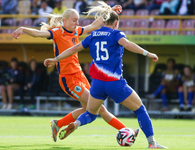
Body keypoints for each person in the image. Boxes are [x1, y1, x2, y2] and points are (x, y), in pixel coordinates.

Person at [44, 2, 168, 149]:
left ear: (103, 22)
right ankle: (152, 143)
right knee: (140, 109)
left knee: (91, 113)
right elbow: (127, 44)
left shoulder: (93, 35)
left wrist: (55, 59)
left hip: (97, 84)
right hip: (115, 83)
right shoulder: (116, 34)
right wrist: (148, 53)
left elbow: (75, 48)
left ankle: (76, 123)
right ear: (116, 23)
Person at [12, 3, 125, 143]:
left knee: (89, 111)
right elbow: (38, 33)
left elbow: (94, 25)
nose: (77, 23)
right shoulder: (56, 32)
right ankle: (126, 130)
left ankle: (58, 124)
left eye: (77, 20)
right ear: (64, 21)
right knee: (98, 107)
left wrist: (109, 12)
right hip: (68, 79)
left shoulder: (76, 31)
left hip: (80, 75)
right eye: (74, 20)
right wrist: (22, 28)